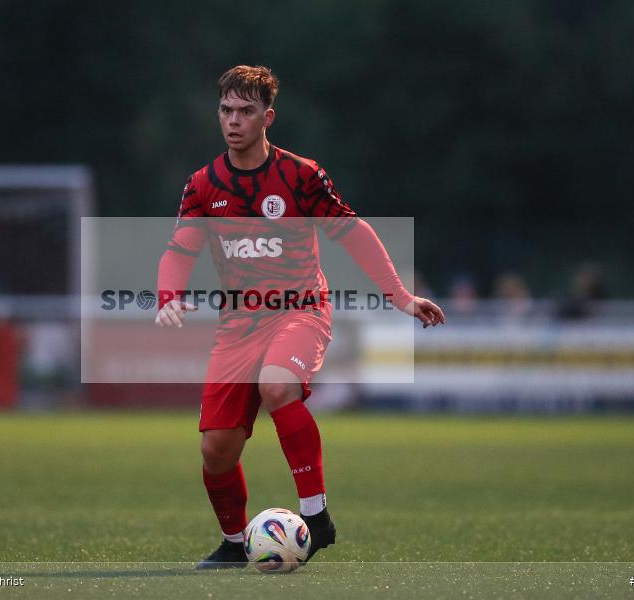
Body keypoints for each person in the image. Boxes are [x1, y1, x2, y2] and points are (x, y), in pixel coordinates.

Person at [155, 65, 445, 569]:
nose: (234, 120)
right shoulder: (203, 185)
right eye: (226, 110)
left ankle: (316, 516)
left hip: (301, 310)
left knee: (277, 386)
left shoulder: (300, 175)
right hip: (238, 324)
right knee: (215, 451)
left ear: (268, 116)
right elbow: (179, 250)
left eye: (246, 111)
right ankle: (231, 543)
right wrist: (168, 295)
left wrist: (401, 297)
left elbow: (354, 233)